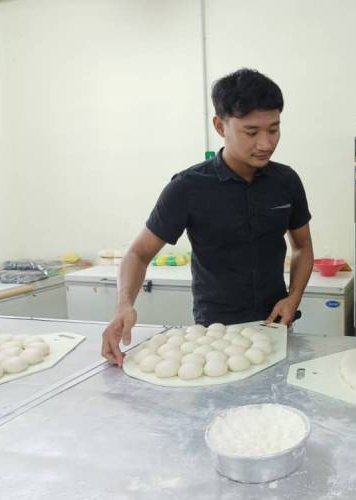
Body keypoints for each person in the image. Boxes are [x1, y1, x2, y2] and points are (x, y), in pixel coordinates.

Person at [102, 68, 314, 366]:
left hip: (276, 325)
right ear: (219, 126)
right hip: (214, 335)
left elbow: (302, 247)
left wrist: (293, 298)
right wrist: (123, 305)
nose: (266, 143)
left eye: (274, 129)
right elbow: (138, 254)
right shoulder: (188, 188)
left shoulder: (286, 181)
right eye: (251, 132)